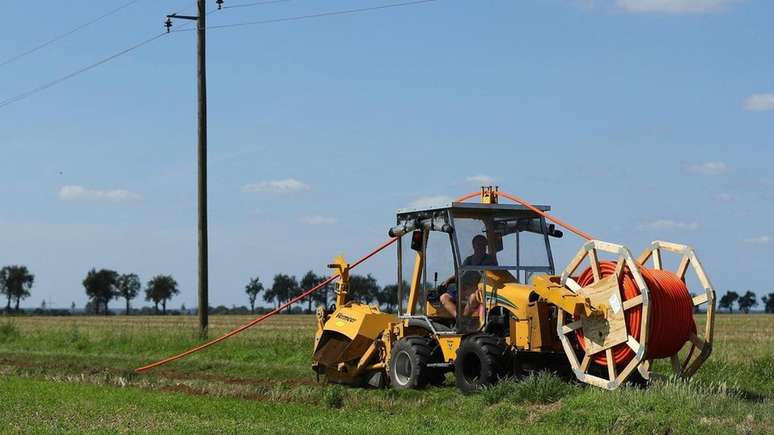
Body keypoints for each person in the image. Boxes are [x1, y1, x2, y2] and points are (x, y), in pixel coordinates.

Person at [439, 234, 497, 318]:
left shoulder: (490, 261)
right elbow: (461, 273)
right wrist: (449, 279)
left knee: (473, 297)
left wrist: (475, 288)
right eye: (478, 244)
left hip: (480, 291)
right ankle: (459, 319)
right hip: (464, 290)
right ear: (474, 246)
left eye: (483, 244)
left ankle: (464, 321)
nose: (481, 247)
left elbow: (495, 276)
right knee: (444, 297)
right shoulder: (468, 260)